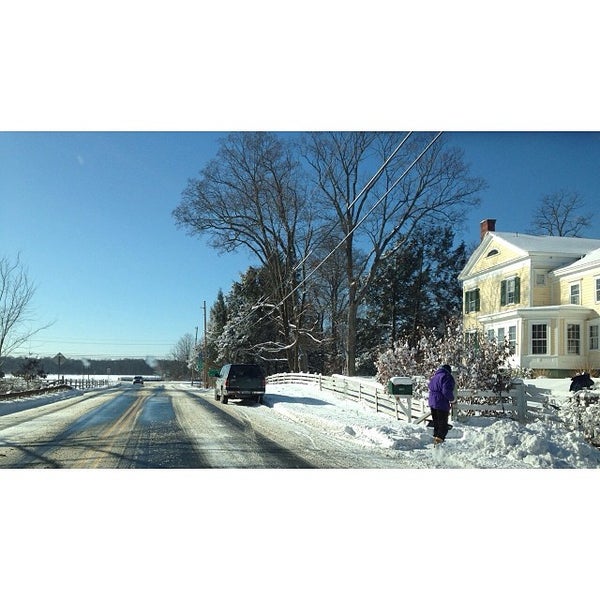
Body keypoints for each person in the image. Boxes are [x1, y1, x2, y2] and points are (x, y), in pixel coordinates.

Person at [428, 364, 455, 445]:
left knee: (436, 424)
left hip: (432, 402)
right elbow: (446, 391)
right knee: (443, 426)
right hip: (441, 402)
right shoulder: (447, 377)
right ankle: (439, 444)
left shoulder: (435, 377)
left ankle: (435, 443)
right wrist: (452, 399)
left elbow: (430, 386)